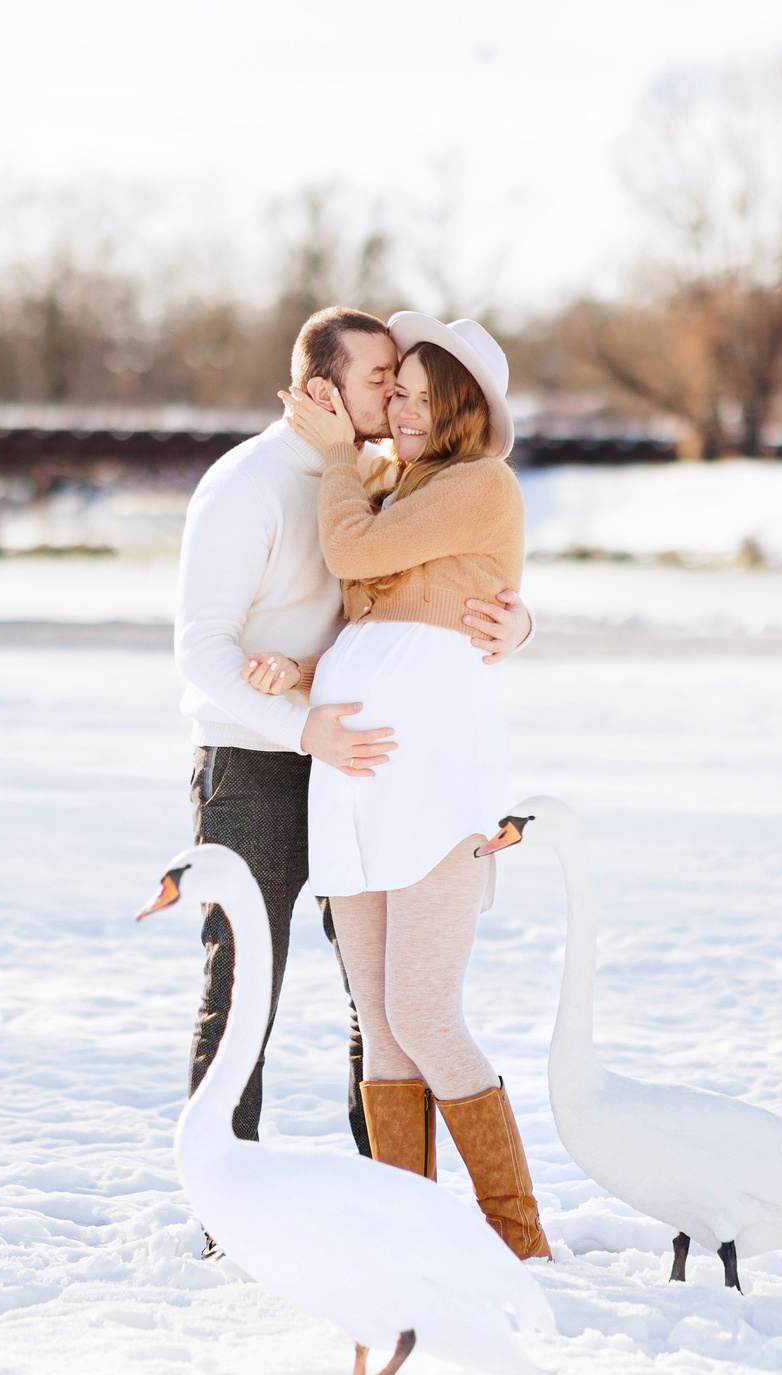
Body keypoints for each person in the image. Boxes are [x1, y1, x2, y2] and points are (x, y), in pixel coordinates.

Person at [173, 306, 533, 1155]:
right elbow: (200, 649)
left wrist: (518, 625)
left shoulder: (376, 476)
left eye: (402, 380)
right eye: (381, 380)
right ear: (317, 389)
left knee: (374, 996)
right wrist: (299, 722)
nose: (393, 395)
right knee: (245, 984)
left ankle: (388, 1189)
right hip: (257, 762)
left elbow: (424, 589)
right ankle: (227, 1198)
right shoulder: (246, 483)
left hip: (363, 761)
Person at [244, 314, 551, 1261]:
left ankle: (518, 1237)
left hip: (432, 772)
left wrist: (340, 458)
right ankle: (406, 1234)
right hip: (355, 774)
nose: (405, 412)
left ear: (462, 407)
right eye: (399, 393)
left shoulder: (477, 485)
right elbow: (375, 622)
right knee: (377, 1018)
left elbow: (356, 558)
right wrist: (297, 670)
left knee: (424, 1011)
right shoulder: (393, 484)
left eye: (424, 396)